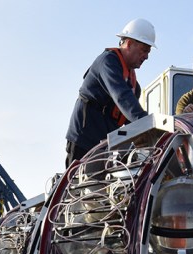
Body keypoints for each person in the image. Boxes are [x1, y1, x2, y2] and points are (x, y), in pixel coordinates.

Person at [65, 18, 156, 167]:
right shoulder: (107, 63)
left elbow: (129, 116)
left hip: (104, 146)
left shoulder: (134, 86)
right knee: (76, 185)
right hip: (84, 138)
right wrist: (149, 124)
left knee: (100, 187)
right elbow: (122, 97)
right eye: (144, 50)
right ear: (129, 43)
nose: (146, 56)